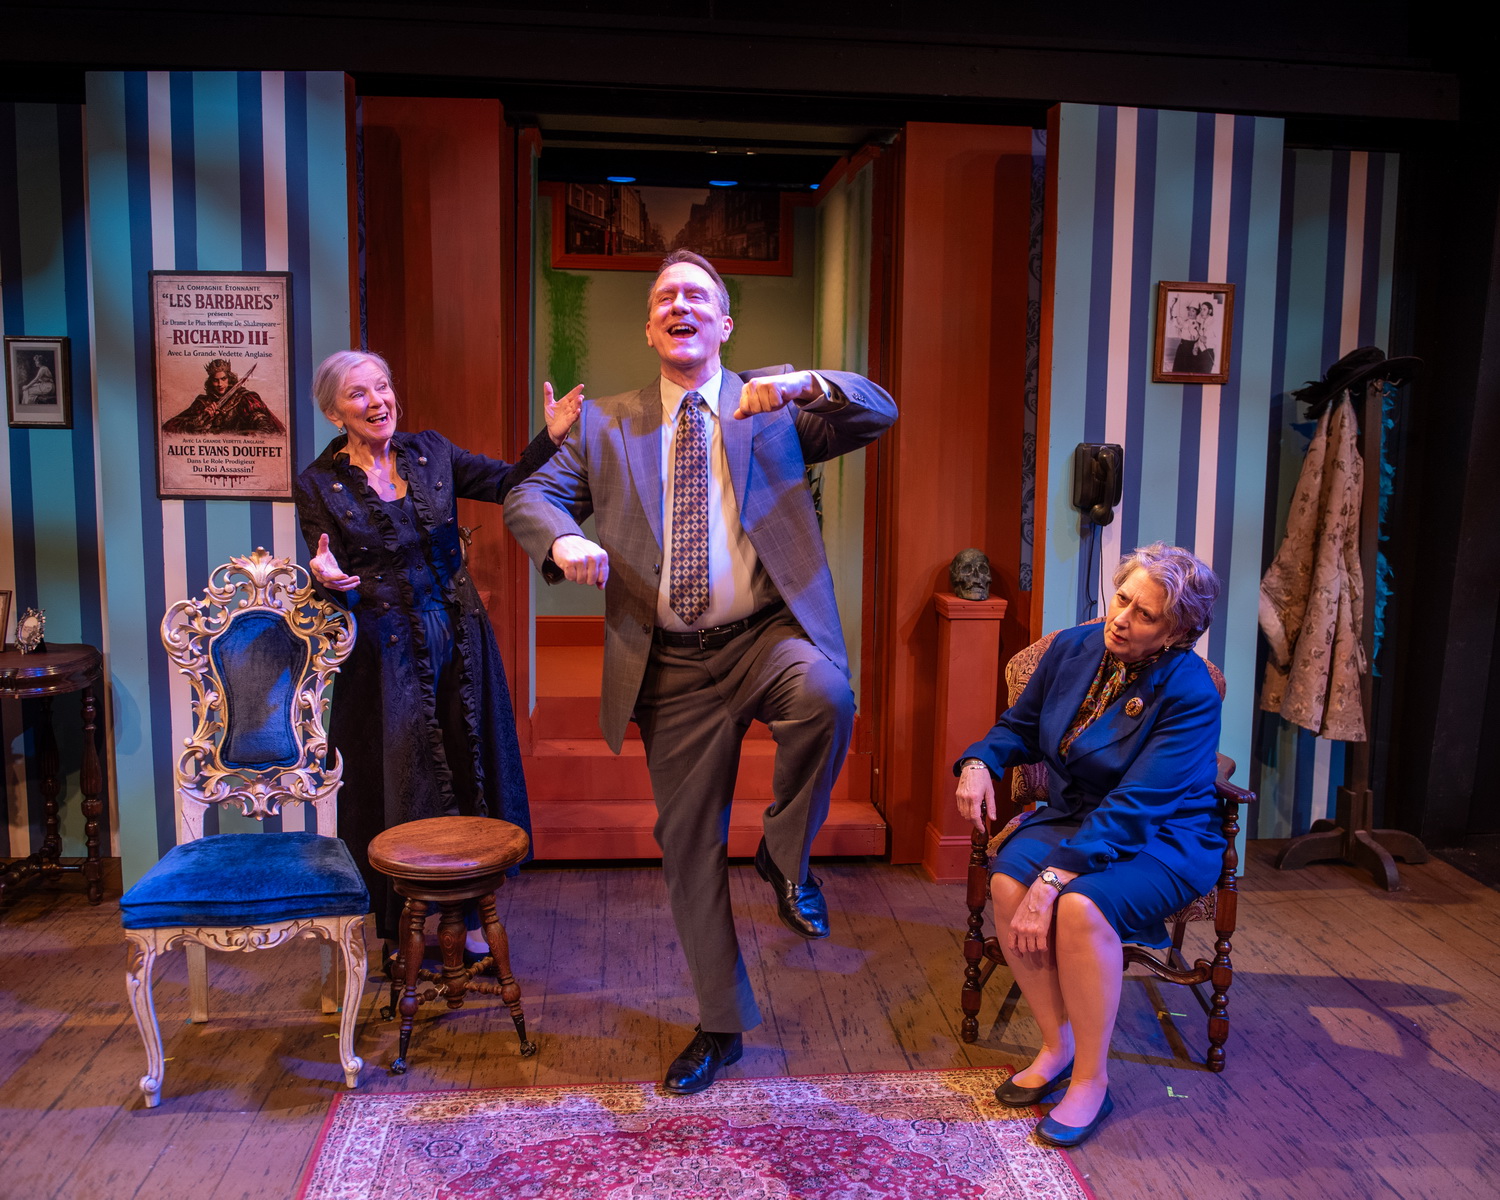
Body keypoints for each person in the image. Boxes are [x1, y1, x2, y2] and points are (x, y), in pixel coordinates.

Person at [504, 249, 896, 1094]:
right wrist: (564, 538)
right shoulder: (605, 424)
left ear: (724, 325)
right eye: (665, 298)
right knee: (688, 849)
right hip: (670, 664)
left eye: (697, 296)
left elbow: (879, 409)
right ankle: (721, 1026)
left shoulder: (775, 406)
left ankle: (785, 856)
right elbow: (527, 495)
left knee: (827, 695)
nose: (679, 305)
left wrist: (804, 383)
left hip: (765, 637)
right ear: (651, 329)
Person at [293, 349, 581, 958]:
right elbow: (327, 571)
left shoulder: (432, 452)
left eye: (382, 386)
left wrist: (551, 437)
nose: (378, 401)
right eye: (358, 394)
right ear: (334, 413)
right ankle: (401, 932)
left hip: (460, 642)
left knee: (469, 771)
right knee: (397, 787)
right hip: (383, 657)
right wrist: (325, 578)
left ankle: (467, 920)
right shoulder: (318, 484)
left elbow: (507, 483)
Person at [954, 542, 1223, 1148]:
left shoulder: (1190, 692)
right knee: (1007, 882)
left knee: (1079, 906)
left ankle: (1090, 1080)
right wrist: (978, 762)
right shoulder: (1074, 647)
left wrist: (1054, 879)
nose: (1120, 619)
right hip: (1077, 815)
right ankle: (1057, 1045)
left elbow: (1139, 805)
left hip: (1165, 836)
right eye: (1121, 598)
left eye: (1144, 614)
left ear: (1178, 632)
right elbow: (1021, 727)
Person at [162, 358, 286, 434]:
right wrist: (200, 420)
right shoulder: (202, 403)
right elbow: (169, 427)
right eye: (216, 380)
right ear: (210, 382)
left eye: (223, 379)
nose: (220, 384)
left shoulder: (243, 398)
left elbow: (264, 426)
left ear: (229, 379)